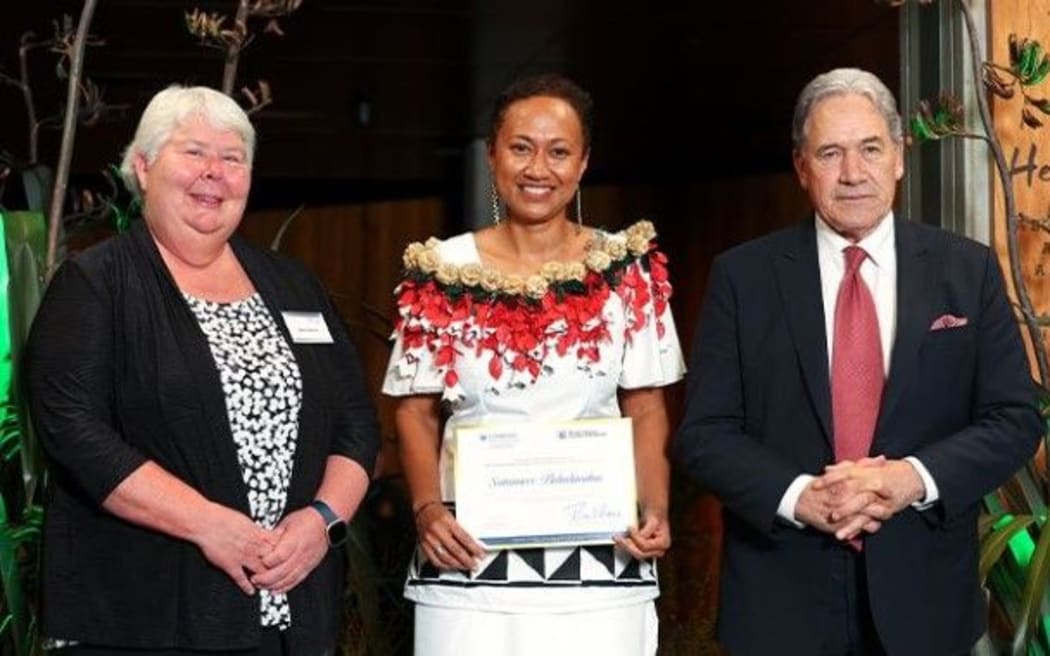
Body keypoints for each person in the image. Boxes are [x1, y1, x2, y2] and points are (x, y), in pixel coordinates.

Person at [673, 66, 1043, 655]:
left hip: (927, 600)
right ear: (801, 167)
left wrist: (909, 479)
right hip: (781, 601)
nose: (852, 174)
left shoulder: (966, 270)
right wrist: (798, 495)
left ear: (898, 155)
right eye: (830, 153)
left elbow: (1015, 417)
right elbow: (704, 434)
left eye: (870, 149)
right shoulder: (742, 278)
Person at [26, 85, 378, 654]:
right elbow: (73, 430)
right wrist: (208, 524)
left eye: (233, 158)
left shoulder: (294, 283)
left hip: (293, 612)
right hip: (145, 618)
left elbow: (356, 422)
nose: (214, 172)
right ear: (142, 168)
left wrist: (322, 521)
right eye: (193, 152)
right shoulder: (95, 284)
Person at [382, 73, 685, 656]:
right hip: (469, 559)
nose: (537, 169)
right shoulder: (440, 270)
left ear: (584, 162)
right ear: (493, 155)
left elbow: (646, 408)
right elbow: (415, 413)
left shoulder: (627, 270)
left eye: (558, 151)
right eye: (521, 148)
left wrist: (656, 508)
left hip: (602, 560)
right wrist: (425, 509)